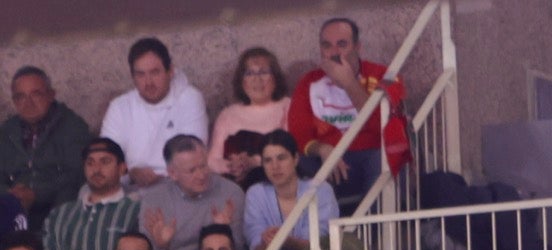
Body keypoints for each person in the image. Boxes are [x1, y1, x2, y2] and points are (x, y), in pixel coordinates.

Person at [286, 17, 411, 202]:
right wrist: (321, 149)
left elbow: (385, 128)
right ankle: (312, 228)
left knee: (383, 159)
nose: (334, 53)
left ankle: (380, 230)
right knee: (293, 162)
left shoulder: (385, 76)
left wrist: (349, 83)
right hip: (326, 162)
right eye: (327, 45)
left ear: (357, 47)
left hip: (370, 158)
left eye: (342, 44)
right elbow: (298, 132)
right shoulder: (309, 81)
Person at [138, 135, 248, 250]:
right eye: (192, 170)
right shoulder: (154, 200)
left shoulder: (230, 193)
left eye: (203, 166)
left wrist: (223, 233)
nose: (202, 175)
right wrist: (162, 247)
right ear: (172, 173)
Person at [40, 138, 141, 250]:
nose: (97, 169)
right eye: (90, 163)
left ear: (122, 168)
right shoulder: (61, 213)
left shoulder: (134, 210)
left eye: (105, 162)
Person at [99, 38, 209, 188]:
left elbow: (193, 157)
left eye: (155, 72)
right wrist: (131, 174)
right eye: (141, 74)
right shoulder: (119, 106)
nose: (148, 82)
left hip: (176, 186)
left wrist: (159, 178)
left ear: (170, 71)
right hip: (129, 187)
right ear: (133, 77)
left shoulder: (189, 98)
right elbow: (106, 160)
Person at [243, 131, 339, 250]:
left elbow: (321, 242)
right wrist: (265, 242)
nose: (275, 166)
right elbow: (254, 243)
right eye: (268, 160)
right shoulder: (255, 193)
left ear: (295, 159)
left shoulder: (321, 189)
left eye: (281, 158)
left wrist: (285, 242)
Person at [0, 68, 91, 229]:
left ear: (51, 95)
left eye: (36, 94)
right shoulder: (7, 131)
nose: (28, 103)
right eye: (20, 97)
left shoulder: (73, 127)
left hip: (58, 212)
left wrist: (36, 194)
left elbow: (76, 176)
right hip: (12, 210)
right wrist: (13, 195)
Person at [209, 49, 292, 184]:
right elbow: (212, 160)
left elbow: (292, 151)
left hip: (276, 183)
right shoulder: (228, 114)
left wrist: (254, 162)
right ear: (241, 81)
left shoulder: (288, 106)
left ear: (275, 77)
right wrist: (233, 167)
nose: (257, 79)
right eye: (249, 73)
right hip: (235, 183)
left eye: (264, 72)